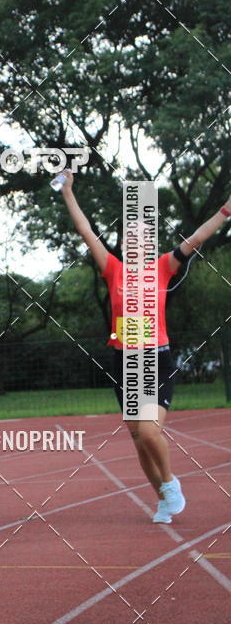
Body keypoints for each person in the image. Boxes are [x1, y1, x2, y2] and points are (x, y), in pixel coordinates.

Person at [59, 169, 231, 524]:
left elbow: (197, 237)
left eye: (143, 238)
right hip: (124, 361)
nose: (136, 242)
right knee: (138, 438)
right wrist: (67, 192)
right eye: (130, 238)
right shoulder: (113, 269)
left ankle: (170, 484)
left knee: (150, 431)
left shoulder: (163, 267)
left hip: (155, 360)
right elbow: (86, 231)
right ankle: (162, 498)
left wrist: (226, 211)